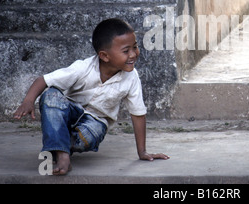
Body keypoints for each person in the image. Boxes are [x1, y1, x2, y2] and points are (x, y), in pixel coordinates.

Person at [14, 18, 169, 175]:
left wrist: (142, 152)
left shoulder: (131, 77)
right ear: (104, 56)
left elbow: (138, 114)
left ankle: (58, 144)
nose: (133, 54)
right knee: (50, 94)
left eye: (135, 47)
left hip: (95, 122)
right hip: (69, 112)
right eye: (126, 50)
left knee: (87, 136)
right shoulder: (83, 68)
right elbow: (45, 80)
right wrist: (28, 101)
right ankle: (62, 155)